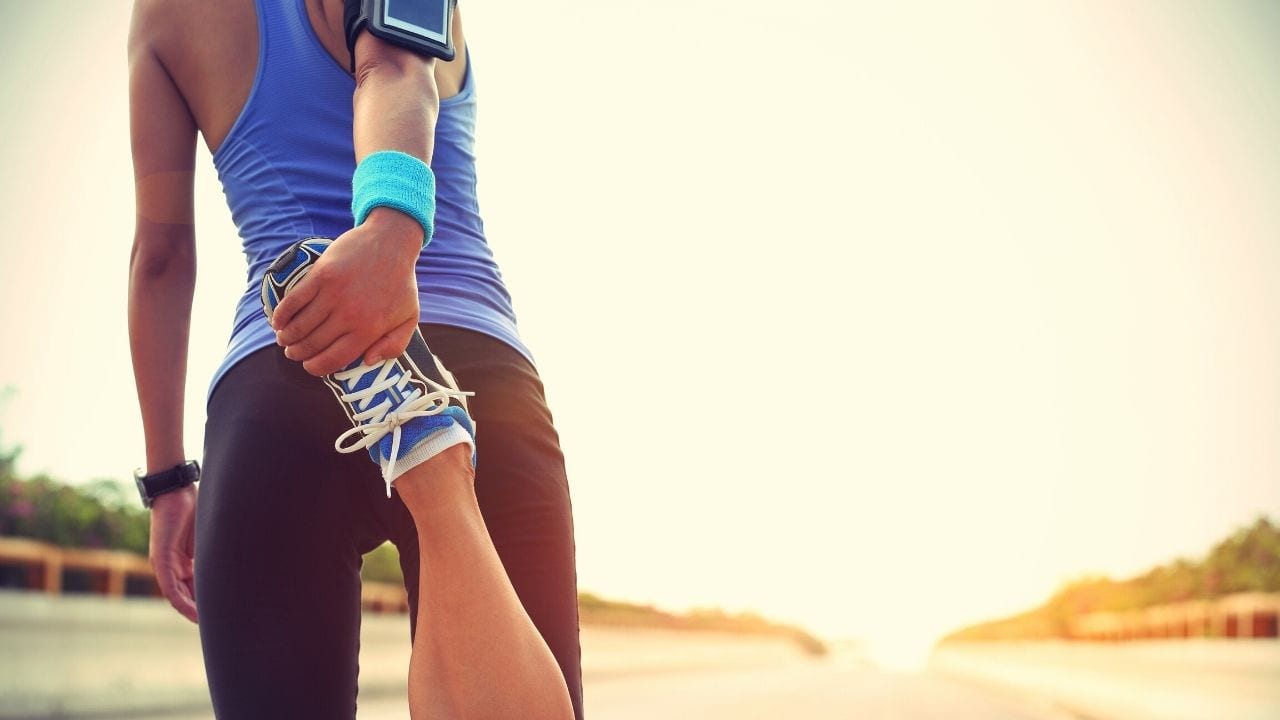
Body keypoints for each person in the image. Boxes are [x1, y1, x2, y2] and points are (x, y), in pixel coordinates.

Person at [126, 0, 583, 717]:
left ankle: (410, 428)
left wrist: (167, 482)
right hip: (463, 368)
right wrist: (389, 233)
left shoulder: (160, 17)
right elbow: (395, 66)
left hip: (278, 370)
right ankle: (424, 442)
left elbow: (160, 256)